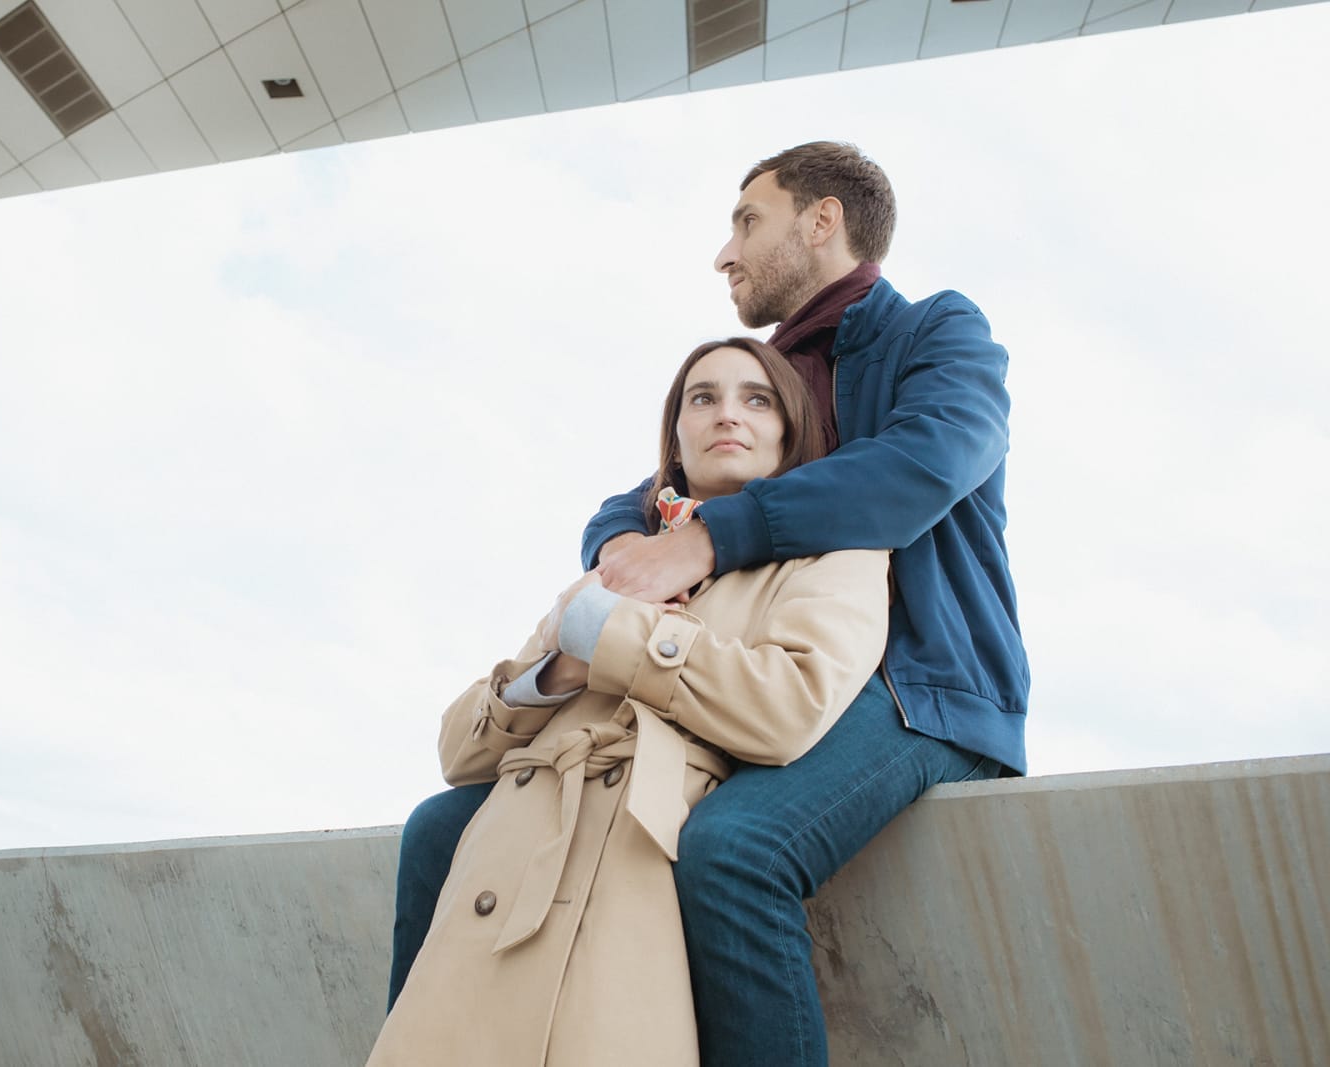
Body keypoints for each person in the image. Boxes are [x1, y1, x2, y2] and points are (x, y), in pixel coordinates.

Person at [387, 142, 1029, 1066]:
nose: (724, 254)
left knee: (734, 851)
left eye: (746, 222)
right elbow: (642, 497)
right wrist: (624, 553)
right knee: (445, 830)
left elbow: (923, 466)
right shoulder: (759, 381)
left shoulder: (937, 332)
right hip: (737, 684)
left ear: (822, 222)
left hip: (915, 686)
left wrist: (700, 540)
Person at [369, 339, 889, 1066]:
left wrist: (619, 637)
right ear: (673, 438)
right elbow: (459, 749)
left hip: (643, 845)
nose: (726, 414)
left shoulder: (837, 552)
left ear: (787, 429)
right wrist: (560, 667)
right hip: (530, 832)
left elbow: (788, 708)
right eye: (700, 398)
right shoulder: (627, 559)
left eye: (756, 398)